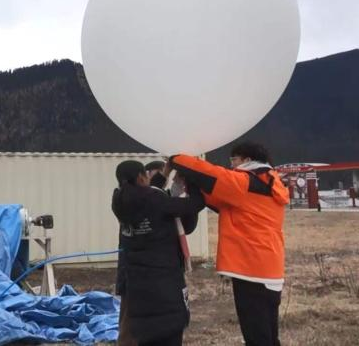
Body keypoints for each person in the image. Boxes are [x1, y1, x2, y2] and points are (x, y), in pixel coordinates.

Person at [169, 142, 289, 346]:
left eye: (234, 159)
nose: (231, 164)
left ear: (247, 160)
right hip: (268, 268)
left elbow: (213, 175)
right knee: (267, 334)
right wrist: (192, 184)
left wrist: (176, 159)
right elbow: (217, 198)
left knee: (257, 337)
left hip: (251, 269)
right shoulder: (266, 184)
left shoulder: (245, 182)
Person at [112, 160, 204, 346]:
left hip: (137, 282)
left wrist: (165, 174)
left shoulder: (121, 200)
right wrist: (191, 182)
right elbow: (195, 204)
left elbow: (148, 194)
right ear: (141, 177)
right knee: (166, 332)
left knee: (145, 334)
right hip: (163, 282)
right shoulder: (156, 201)